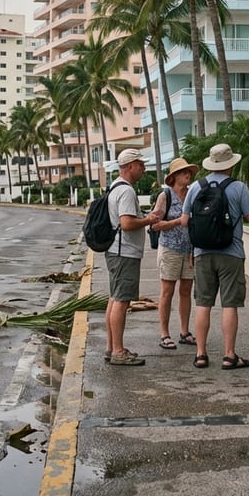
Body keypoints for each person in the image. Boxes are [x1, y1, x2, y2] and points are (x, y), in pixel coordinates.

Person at [181, 143, 249, 370]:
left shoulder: (196, 186)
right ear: (231, 165)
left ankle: (201, 354)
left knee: (203, 303)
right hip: (231, 253)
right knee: (229, 305)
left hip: (202, 253)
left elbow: (186, 221)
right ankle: (229, 356)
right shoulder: (239, 188)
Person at [103, 148, 162, 366]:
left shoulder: (115, 187)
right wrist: (149, 220)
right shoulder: (126, 191)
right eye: (140, 165)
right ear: (129, 166)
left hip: (116, 251)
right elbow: (126, 223)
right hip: (124, 252)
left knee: (115, 298)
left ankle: (112, 347)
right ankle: (118, 351)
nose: (143, 169)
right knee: (121, 300)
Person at [149, 157, 199, 350]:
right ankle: (164, 334)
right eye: (183, 172)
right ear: (174, 177)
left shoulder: (192, 195)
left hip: (189, 250)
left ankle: (184, 332)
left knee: (186, 290)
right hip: (169, 249)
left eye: (189, 172)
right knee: (167, 291)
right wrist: (179, 221)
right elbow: (155, 224)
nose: (187, 175)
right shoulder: (165, 196)